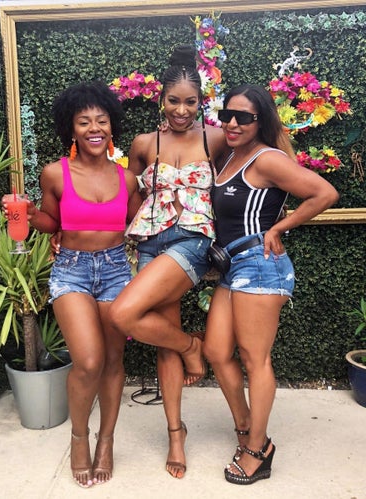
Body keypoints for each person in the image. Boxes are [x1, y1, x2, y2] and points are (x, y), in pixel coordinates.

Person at [4, 80, 142, 488]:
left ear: (112, 126)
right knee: (88, 362)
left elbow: (139, 223)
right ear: (72, 128)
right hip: (72, 270)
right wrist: (31, 215)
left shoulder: (127, 179)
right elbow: (53, 222)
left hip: (116, 270)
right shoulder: (55, 174)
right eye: (84, 121)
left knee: (113, 361)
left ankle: (106, 440)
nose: (94, 128)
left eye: (102, 120)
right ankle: (79, 437)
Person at [202, 83, 339, 485]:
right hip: (234, 266)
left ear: (260, 121)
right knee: (215, 350)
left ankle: (257, 451)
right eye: (226, 115)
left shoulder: (266, 159)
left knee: (255, 359)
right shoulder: (230, 154)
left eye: (243, 117)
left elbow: (324, 193)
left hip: (260, 266)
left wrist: (279, 227)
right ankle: (246, 427)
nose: (232, 123)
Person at [108, 45, 228, 479]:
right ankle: (176, 432)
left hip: (191, 240)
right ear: (161, 99)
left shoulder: (216, 139)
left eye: (190, 102)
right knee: (164, 339)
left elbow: (244, 177)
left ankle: (193, 348)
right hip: (149, 243)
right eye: (174, 100)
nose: (181, 110)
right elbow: (131, 194)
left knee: (123, 314)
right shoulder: (145, 143)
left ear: (201, 102)